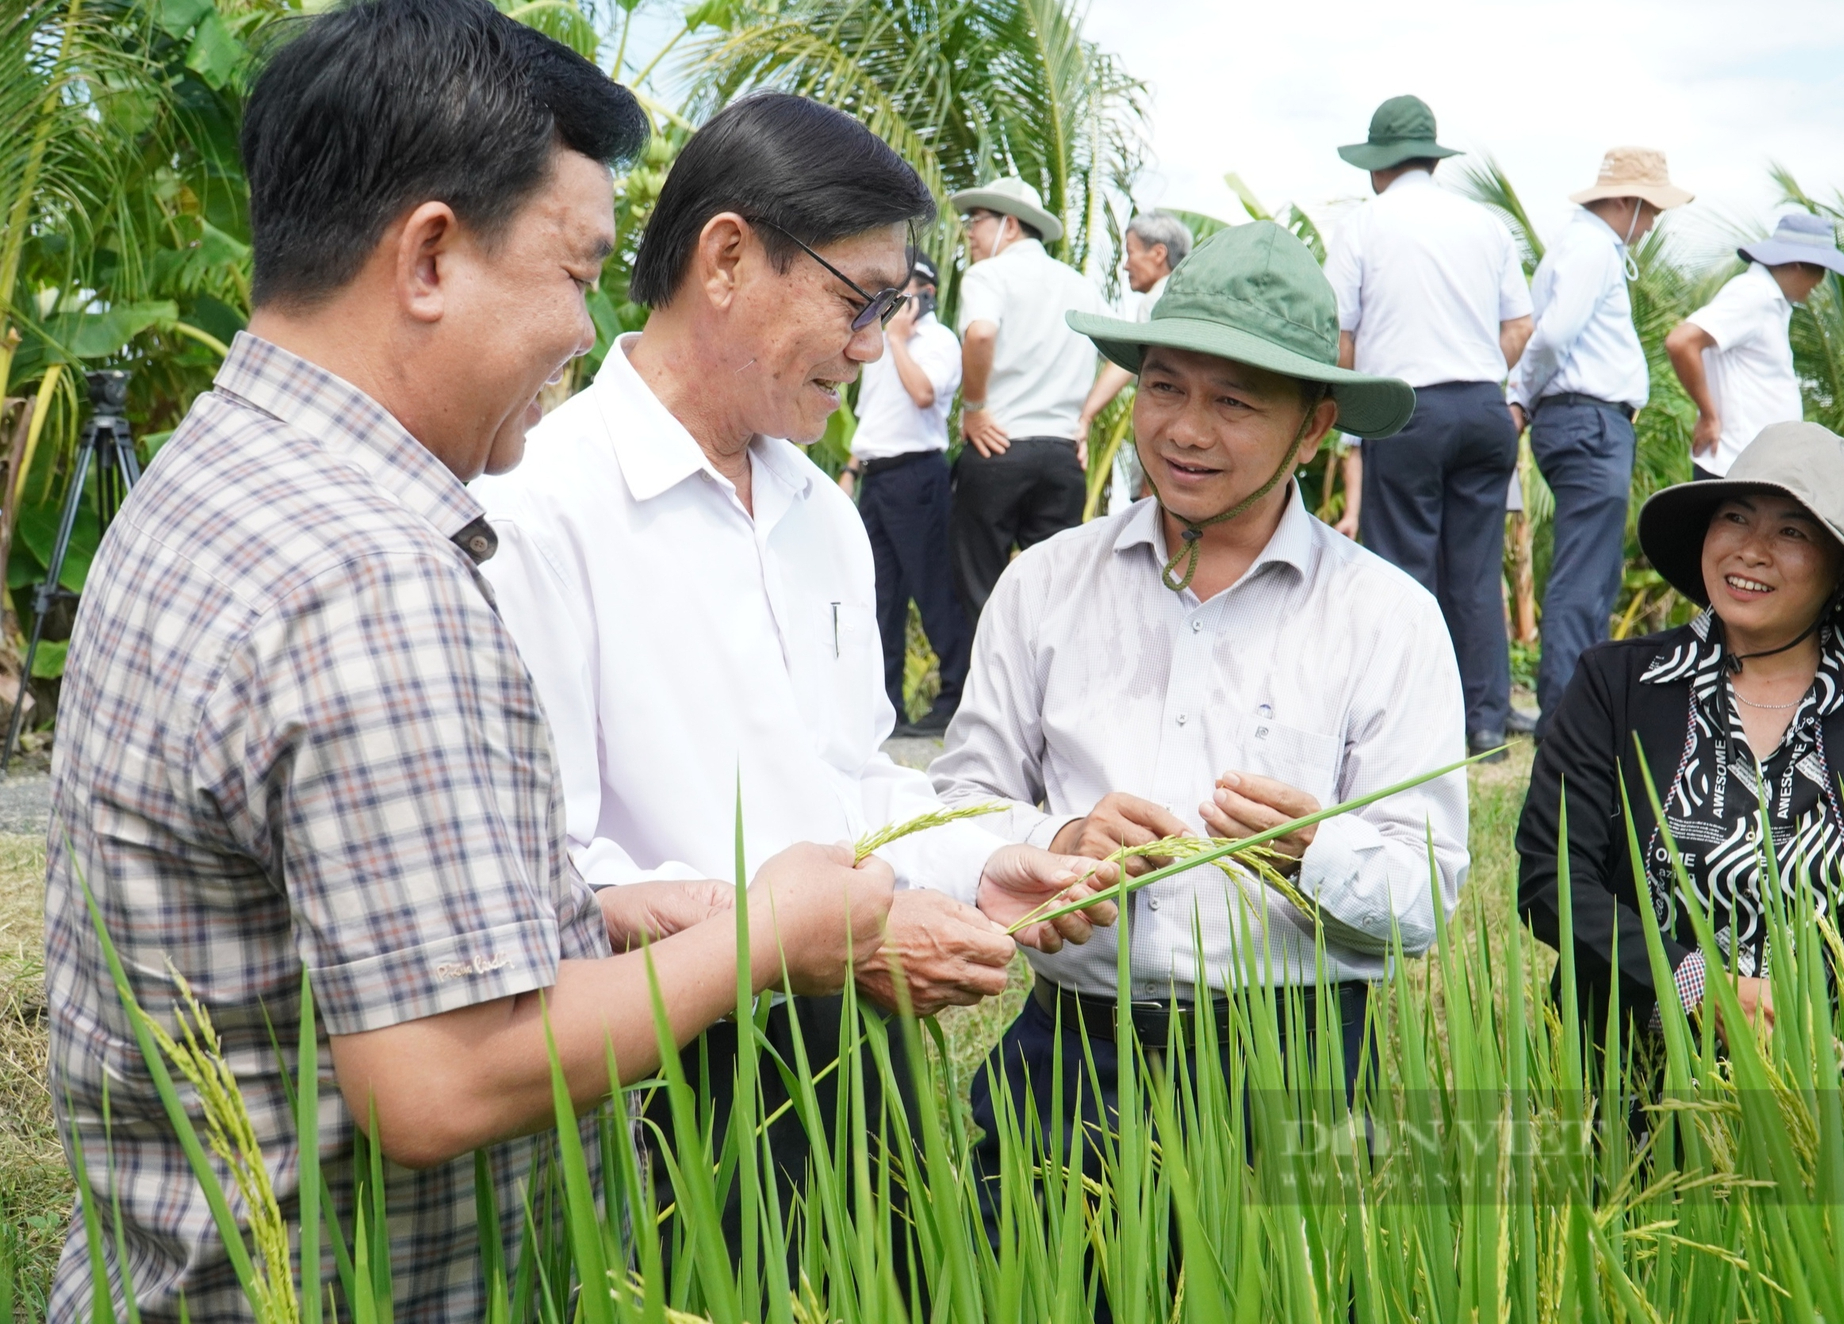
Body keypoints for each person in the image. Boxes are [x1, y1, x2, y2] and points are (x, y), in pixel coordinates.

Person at [42, 7, 898, 1322]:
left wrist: (601, 916)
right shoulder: (373, 578)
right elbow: (440, 1083)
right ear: (430, 256)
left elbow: (317, 897)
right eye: (573, 272)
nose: (586, 326)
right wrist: (774, 930)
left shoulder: (213, 481)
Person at [471, 94, 1117, 1244]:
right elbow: (546, 874)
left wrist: (996, 858)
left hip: (839, 1053)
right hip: (638, 1070)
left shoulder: (821, 511)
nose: (873, 346)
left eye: (896, 311)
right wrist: (815, 933)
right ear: (726, 257)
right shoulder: (537, 508)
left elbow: (848, 781)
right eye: (857, 301)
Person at [929, 222, 1468, 1214]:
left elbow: (1423, 892)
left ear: (1313, 428)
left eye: (1233, 402)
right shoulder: (1044, 585)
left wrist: (1314, 849)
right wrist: (1058, 839)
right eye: (1165, 387)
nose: (1183, 428)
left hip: (1295, 1067)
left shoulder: (1385, 618)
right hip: (1070, 1060)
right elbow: (956, 805)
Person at [1517, 421, 1844, 1041]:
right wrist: (1697, 986)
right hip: (1639, 1076)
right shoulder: (1619, 686)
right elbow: (1550, 875)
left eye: (1792, 531)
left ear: (1840, 573)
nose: (1751, 549)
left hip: (1843, 1085)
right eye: (1735, 518)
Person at [1327, 94, 1535, 758]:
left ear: (1378, 166)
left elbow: (1343, 340)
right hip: (1482, 405)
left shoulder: (1366, 224)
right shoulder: (1484, 225)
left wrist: (1350, 420)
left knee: (1403, 570)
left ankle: (1416, 724)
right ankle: (1485, 723)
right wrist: (1472, 373)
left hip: (1405, 407)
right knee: (1474, 572)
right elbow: (1521, 326)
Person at [1508, 147, 1692, 739]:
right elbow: (1555, 333)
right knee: (1585, 574)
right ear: (1627, 201)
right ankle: (1566, 716)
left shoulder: (1583, 246)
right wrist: (1520, 394)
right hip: (1587, 419)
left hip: (1583, 420)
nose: (1653, 223)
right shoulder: (1590, 247)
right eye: (1652, 210)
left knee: (1589, 569)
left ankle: (1573, 708)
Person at [948, 175, 1109, 625]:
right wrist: (1084, 417)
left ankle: (986, 693)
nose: (970, 233)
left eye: (977, 221)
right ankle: (1049, 694)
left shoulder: (988, 275)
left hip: (998, 446)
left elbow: (980, 332)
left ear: (1011, 226)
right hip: (1061, 458)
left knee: (980, 591)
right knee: (1056, 596)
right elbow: (1126, 361)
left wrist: (975, 409)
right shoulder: (1080, 285)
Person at [837, 247, 971, 736]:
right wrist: (851, 469)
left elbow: (923, 394)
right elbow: (874, 415)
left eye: (904, 289)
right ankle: (886, 708)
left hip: (918, 474)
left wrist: (897, 340)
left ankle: (954, 700)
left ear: (926, 294)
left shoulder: (938, 341)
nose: (893, 298)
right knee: (880, 596)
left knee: (932, 590)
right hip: (876, 474)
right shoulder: (878, 341)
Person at [1665, 212, 1844, 480]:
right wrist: (1709, 416)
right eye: (1821, 269)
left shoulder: (1772, 303)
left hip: (1756, 468)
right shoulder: (1753, 294)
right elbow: (1681, 342)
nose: (1821, 281)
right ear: (1799, 264)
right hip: (1734, 467)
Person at [1076, 209, 1196, 514]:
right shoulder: (1188, 299)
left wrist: (1085, 417)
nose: (1126, 264)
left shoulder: (1158, 301)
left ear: (1158, 253)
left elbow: (1143, 375)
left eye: (1130, 252)